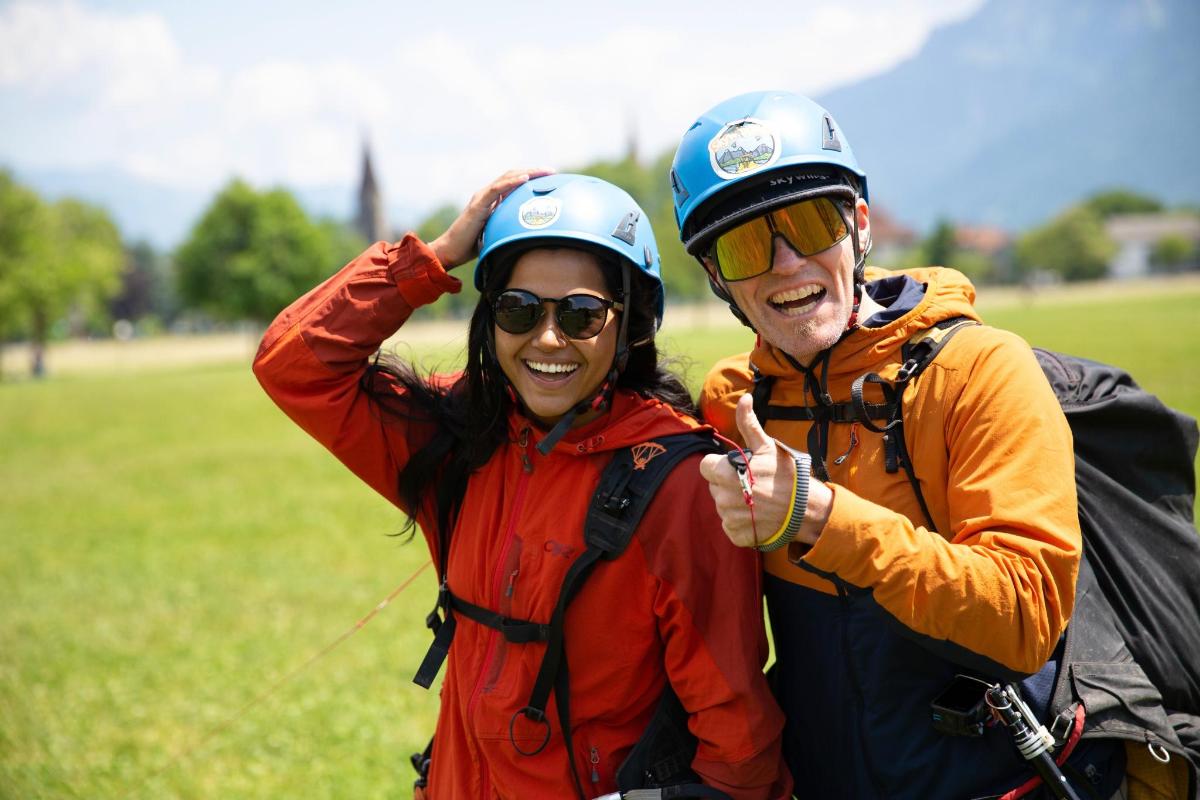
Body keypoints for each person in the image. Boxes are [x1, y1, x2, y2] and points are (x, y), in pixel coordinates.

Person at [253, 170, 790, 799]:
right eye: (518, 309)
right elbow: (293, 365)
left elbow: (737, 736)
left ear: (629, 324)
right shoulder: (458, 435)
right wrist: (434, 258)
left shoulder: (680, 482)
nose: (547, 339)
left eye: (583, 314)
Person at [668, 91, 1132, 798]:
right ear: (714, 275)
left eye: (809, 221)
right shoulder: (738, 401)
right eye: (744, 243)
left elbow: (1026, 619)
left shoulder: (977, 370)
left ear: (858, 225)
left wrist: (819, 517)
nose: (786, 263)